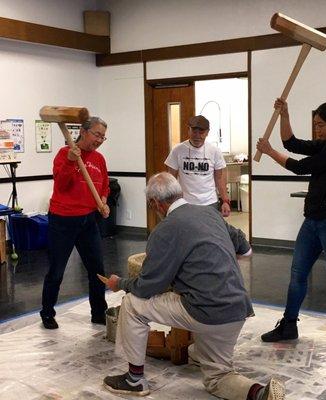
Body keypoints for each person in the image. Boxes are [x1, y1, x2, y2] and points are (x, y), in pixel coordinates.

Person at [102, 172, 285, 400]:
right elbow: (246, 250)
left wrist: (119, 283)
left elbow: (148, 286)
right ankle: (260, 393)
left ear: (155, 203)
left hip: (205, 312)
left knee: (132, 303)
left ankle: (134, 380)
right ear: (180, 193)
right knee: (218, 378)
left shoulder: (165, 229)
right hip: (237, 308)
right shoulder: (210, 213)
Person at [256, 99, 326, 354]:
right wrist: (285, 114)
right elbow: (292, 143)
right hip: (313, 221)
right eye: (315, 124)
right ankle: (288, 324)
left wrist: (269, 151)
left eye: (320, 125)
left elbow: (298, 167)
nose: (316, 130)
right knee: (298, 274)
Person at [40, 117, 110, 330]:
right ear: (83, 131)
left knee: (97, 268)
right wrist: (71, 161)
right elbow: (61, 184)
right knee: (57, 269)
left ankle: (99, 313)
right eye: (96, 134)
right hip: (63, 219)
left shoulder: (99, 159)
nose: (99, 140)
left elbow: (104, 185)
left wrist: (103, 202)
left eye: (102, 137)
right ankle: (47, 313)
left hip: (88, 219)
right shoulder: (65, 154)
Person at [165, 115, 231, 217]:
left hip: (209, 203)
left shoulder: (214, 151)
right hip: (185, 203)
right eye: (194, 132)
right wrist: (169, 201)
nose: (197, 136)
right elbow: (171, 178)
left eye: (201, 133)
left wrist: (225, 201)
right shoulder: (178, 150)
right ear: (189, 130)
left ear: (207, 132)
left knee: (208, 231)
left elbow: (219, 178)